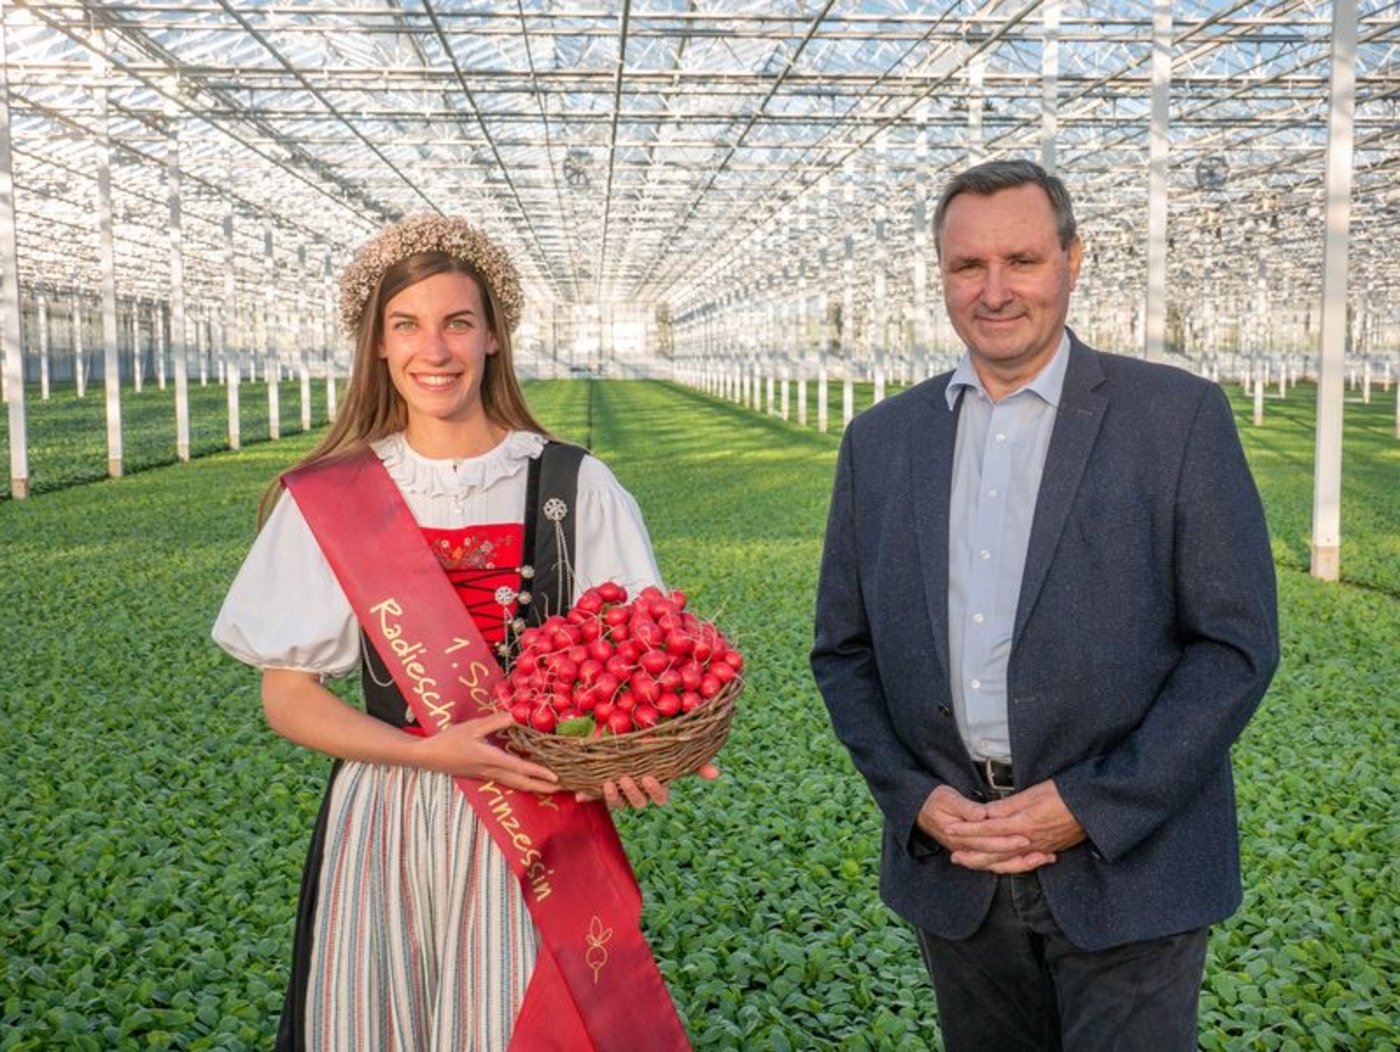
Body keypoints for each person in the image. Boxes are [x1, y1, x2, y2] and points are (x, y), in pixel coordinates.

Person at [810, 159, 1278, 1051]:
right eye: (966, 267)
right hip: (960, 867)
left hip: (1133, 871)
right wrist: (915, 800)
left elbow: (1235, 646)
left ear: (1072, 259)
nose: (994, 292)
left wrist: (1092, 805)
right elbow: (844, 650)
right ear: (940, 274)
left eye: (1021, 260)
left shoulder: (1174, 419)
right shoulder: (883, 442)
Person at [213, 214, 703, 1050]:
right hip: (386, 813)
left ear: (493, 340)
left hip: (535, 810)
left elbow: (635, 671)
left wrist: (638, 761)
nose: (432, 349)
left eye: (457, 323)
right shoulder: (332, 495)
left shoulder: (573, 485)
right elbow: (288, 696)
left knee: (518, 1023)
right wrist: (425, 754)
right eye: (406, 325)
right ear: (376, 345)